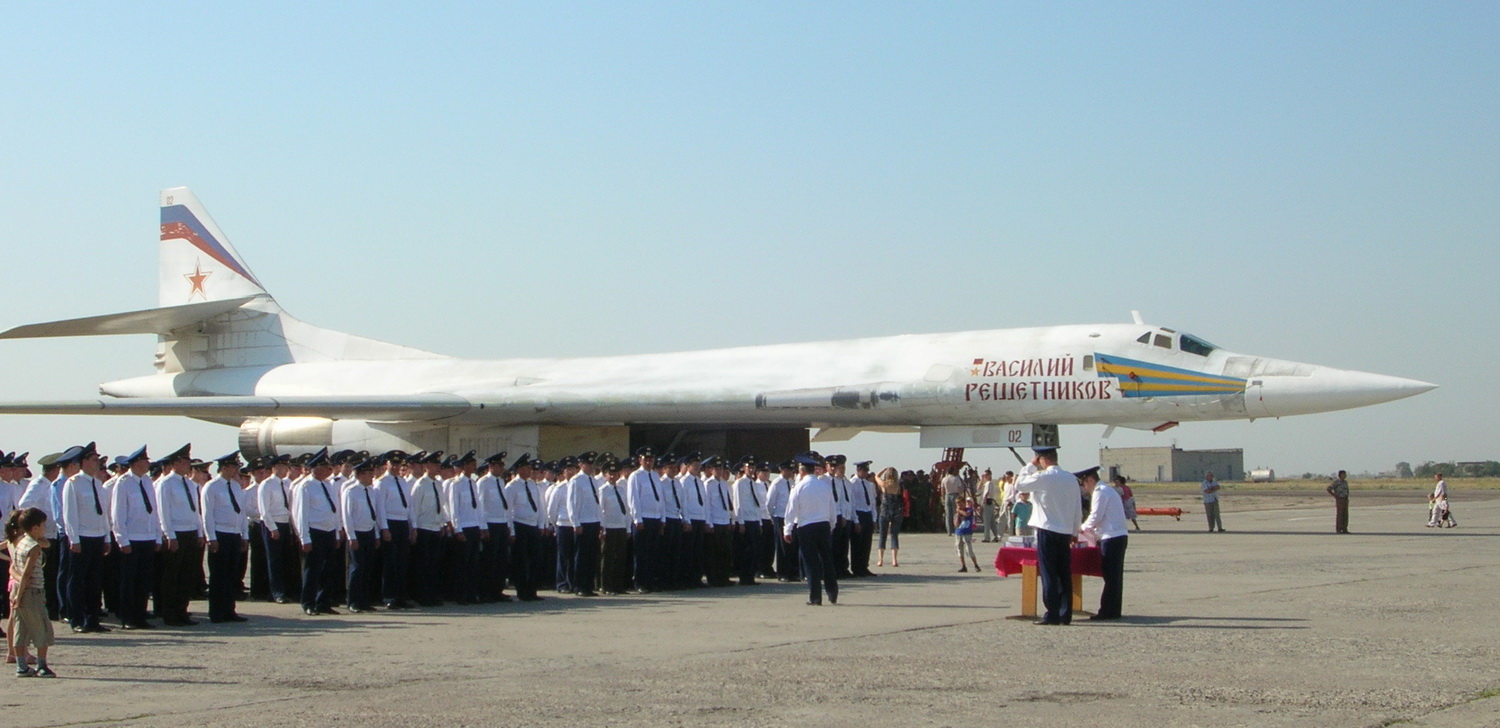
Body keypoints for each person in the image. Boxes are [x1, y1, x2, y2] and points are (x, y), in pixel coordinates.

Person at [1012, 447, 1083, 626]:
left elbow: (1020, 485)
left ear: (1042, 459)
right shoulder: (1071, 479)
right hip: (1065, 531)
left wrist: (1029, 466)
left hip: (1047, 529)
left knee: (1049, 573)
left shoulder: (1044, 477)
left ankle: (1052, 613)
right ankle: (1065, 614)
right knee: (1064, 573)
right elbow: (1077, 508)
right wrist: (1075, 532)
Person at [201, 453, 251, 623]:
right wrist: (211, 537)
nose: (237, 470)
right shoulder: (211, 487)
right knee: (218, 576)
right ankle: (216, 612)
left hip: (234, 534)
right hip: (220, 534)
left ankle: (229, 610)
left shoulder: (236, 486)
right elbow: (208, 515)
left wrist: (244, 535)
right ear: (225, 467)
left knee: (232, 575)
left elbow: (241, 513)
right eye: (234, 466)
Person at [783, 452, 838, 606]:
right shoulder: (825, 486)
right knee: (827, 560)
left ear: (802, 471)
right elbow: (832, 508)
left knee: (811, 563)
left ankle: (815, 597)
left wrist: (787, 530)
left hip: (806, 527)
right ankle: (832, 593)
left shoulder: (799, 487)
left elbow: (791, 510)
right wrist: (831, 526)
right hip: (824, 525)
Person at [8, 508, 57, 678]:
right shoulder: (34, 547)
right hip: (31, 591)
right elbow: (27, 574)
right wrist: (20, 596)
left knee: (21, 629)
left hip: (18, 590)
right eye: (42, 525)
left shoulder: (21, 542)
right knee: (42, 629)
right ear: (35, 527)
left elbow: (14, 567)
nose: (45, 528)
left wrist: (16, 595)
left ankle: (21, 665)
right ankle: (42, 665)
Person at [1080, 468, 1128, 620]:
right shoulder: (1107, 490)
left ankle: (1107, 611)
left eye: (1084, 484)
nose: (1084, 488)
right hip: (1117, 535)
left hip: (1111, 537)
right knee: (1114, 577)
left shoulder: (1100, 492)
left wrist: (1081, 529)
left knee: (1110, 576)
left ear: (1091, 481)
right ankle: (1113, 610)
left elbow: (1096, 516)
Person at [875, 467, 901, 567]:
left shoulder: (884, 485)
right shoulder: (898, 486)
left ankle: (880, 560)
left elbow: (876, 476)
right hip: (896, 511)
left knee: (882, 535)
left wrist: (884, 469)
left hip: (884, 511)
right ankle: (894, 560)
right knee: (894, 536)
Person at [953, 496, 979, 573]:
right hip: (959, 533)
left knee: (969, 550)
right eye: (957, 505)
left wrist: (959, 511)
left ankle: (976, 565)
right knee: (959, 549)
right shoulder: (957, 513)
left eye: (960, 504)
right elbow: (956, 524)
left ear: (964, 504)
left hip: (967, 533)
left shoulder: (969, 510)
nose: (959, 506)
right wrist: (958, 515)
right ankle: (963, 566)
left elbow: (967, 514)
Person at [979, 469, 1001, 542]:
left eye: (986, 475)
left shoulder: (989, 483)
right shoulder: (986, 483)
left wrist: (983, 503)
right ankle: (996, 536)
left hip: (988, 502)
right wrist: (981, 480)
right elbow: (978, 488)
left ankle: (987, 537)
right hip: (989, 503)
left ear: (990, 475)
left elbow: (987, 493)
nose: (985, 476)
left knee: (987, 521)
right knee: (992, 522)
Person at [940, 467, 963, 536]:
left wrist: (943, 498)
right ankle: (956, 529)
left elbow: (942, 490)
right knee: (955, 513)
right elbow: (960, 488)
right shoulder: (956, 479)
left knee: (948, 514)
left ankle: (949, 531)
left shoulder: (944, 479)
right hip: (955, 495)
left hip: (947, 495)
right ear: (953, 471)